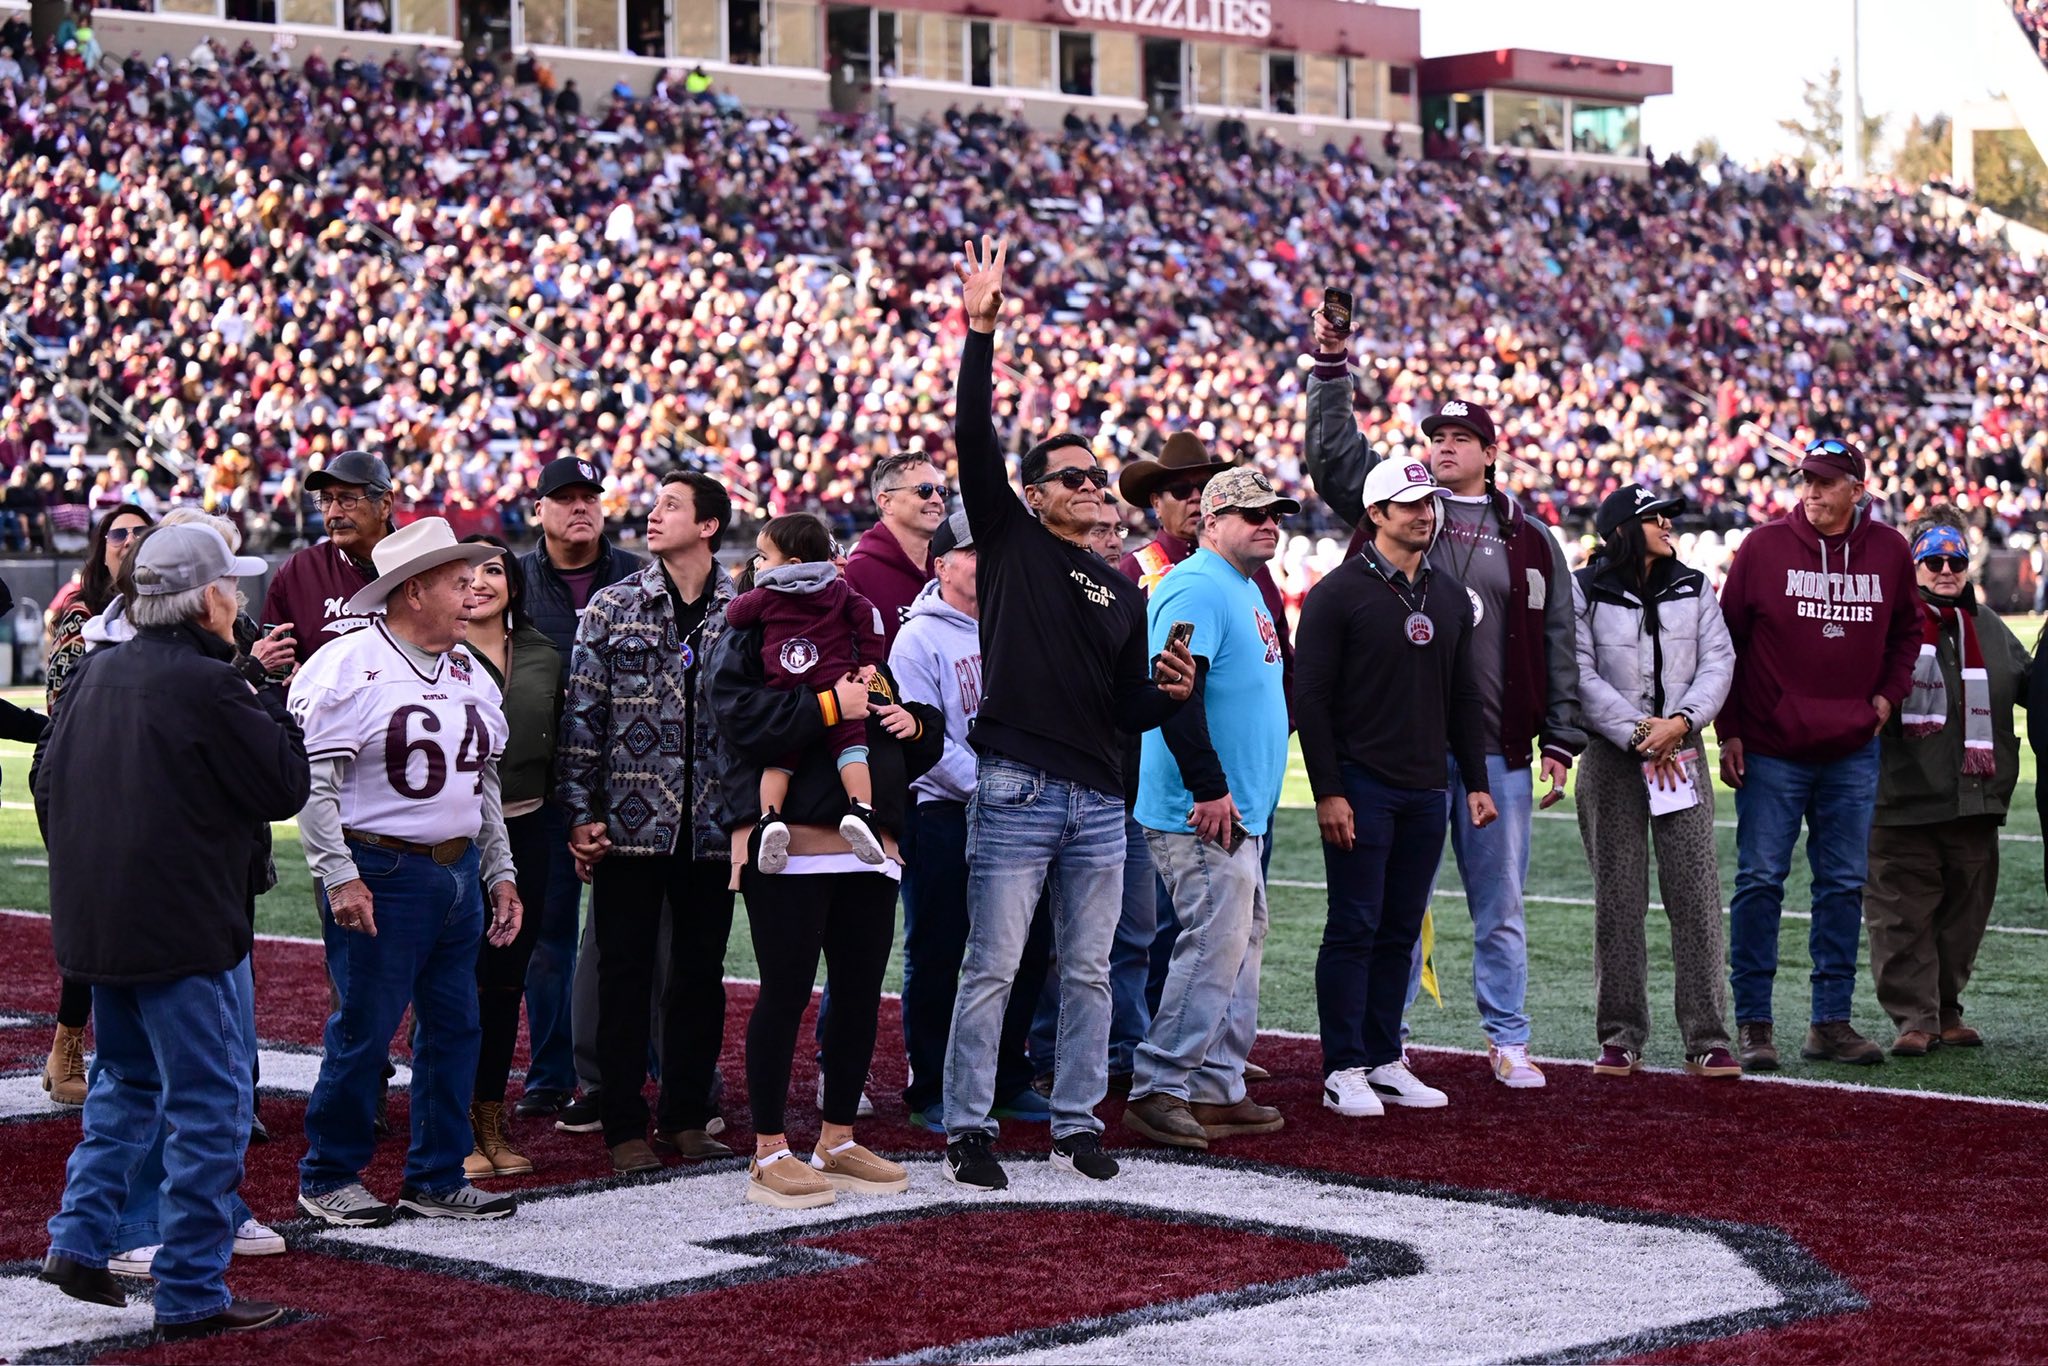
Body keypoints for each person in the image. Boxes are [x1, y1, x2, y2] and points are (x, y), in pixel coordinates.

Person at [941, 235, 1193, 1192]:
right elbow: (973, 438)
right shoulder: (1008, 542)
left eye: (1100, 479)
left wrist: (1166, 696)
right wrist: (981, 331)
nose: (1094, 488)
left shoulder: (1123, 587)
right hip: (1016, 785)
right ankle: (970, 1127)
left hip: (1098, 798)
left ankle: (1077, 1122)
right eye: (1075, 479)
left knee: (1088, 972)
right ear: (1035, 495)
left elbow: (1125, 707)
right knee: (994, 966)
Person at [35, 523, 308, 1339]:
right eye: (233, 586)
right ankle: (190, 1290)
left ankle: (79, 1241)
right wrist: (264, 691)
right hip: (185, 929)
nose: (243, 599)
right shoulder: (212, 684)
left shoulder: (95, 669)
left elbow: (47, 783)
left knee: (129, 1085)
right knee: (212, 1104)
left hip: (101, 926)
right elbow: (283, 784)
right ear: (210, 598)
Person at [1306, 314, 1584, 1089]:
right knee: (1396, 911)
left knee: (1499, 907)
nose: (1444, 446)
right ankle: (1383, 1047)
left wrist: (1561, 736)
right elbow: (1334, 459)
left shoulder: (1528, 535)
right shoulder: (1398, 523)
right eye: (1436, 436)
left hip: (1496, 748)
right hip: (1409, 757)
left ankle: (1508, 1037)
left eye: (1461, 436)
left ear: (1490, 452)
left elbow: (1562, 637)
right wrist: (1330, 369)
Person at [290, 518, 523, 1225]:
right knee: (365, 1029)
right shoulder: (345, 663)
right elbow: (314, 785)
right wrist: (338, 875)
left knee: (456, 1029)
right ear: (413, 591)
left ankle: (436, 1173)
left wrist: (499, 869)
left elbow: (480, 781)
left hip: (456, 874)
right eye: (459, 580)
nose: (475, 589)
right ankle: (329, 1172)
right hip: (380, 867)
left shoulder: (466, 669)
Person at [710, 555, 943, 1210]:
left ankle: (837, 1137)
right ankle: (767, 1149)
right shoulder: (749, 637)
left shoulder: (865, 646)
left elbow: (902, 738)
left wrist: (916, 725)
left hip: (871, 848)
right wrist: (823, 705)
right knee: (785, 993)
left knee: (861, 993)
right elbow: (741, 724)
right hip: (796, 842)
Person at [1717, 439, 1921, 1070]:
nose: (1812, 492)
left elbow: (1909, 632)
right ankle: (1754, 1023)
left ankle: (1829, 1022)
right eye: (1806, 480)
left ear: (1858, 490)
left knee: (1842, 885)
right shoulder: (1763, 546)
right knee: (1759, 881)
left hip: (1852, 748)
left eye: (1827, 482)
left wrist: (1886, 699)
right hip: (1774, 748)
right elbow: (1726, 641)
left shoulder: (1888, 550)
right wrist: (1729, 730)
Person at [1297, 459, 1492, 1118]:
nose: (1424, 514)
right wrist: (1328, 790)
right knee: (1354, 926)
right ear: (1375, 514)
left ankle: (1383, 1056)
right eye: (1408, 505)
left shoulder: (1445, 593)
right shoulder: (1336, 594)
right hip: (1361, 783)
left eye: (1429, 504)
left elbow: (1462, 694)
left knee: (1401, 929)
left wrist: (1476, 781)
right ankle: (1342, 1066)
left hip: (1425, 788)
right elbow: (1312, 700)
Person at [557, 472, 737, 1174]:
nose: (652, 516)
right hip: (628, 828)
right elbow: (583, 719)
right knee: (624, 975)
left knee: (699, 975)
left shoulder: (743, 610)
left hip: (716, 828)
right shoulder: (613, 605)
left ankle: (688, 1115)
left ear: (709, 525)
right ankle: (624, 1122)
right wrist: (580, 814)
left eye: (671, 506)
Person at [1121, 467, 1292, 1150]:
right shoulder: (1195, 584)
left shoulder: (1242, 587)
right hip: (1202, 808)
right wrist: (1208, 788)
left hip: (1237, 807)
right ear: (1210, 522)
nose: (1269, 522)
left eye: (1276, 512)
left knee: (1238, 945)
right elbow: (1174, 693)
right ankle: (1160, 1086)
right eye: (1251, 513)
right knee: (1212, 943)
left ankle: (1216, 1086)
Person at [890, 510, 1052, 1131]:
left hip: (1025, 814)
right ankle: (932, 1086)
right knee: (941, 950)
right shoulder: (920, 638)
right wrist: (996, 787)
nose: (992, 562)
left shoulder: (1022, 623)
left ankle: (1009, 1074)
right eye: (977, 552)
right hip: (947, 815)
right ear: (943, 565)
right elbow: (924, 739)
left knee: (1028, 949)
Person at [1572, 488, 1739, 1079]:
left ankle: (1709, 1038)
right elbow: (1578, 671)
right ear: (1621, 526)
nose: (1669, 522)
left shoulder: (1695, 584)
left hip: (1681, 751)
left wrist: (1682, 724)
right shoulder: (1583, 588)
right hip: (1613, 755)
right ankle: (1620, 1036)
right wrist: (1643, 731)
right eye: (1654, 516)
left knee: (1695, 897)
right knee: (1618, 903)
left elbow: (1719, 662)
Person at [1868, 512, 2029, 1055]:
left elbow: (2034, 683)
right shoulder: (1887, 624)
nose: (1944, 570)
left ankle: (1946, 1009)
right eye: (1932, 561)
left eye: (1955, 562)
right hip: (1902, 797)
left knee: (1963, 918)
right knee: (1901, 917)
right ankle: (1915, 1019)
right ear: (1912, 566)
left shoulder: (1989, 626)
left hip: (1975, 800)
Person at [515, 455, 642, 1128]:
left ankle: (630, 1063)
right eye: (563, 499)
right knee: (547, 938)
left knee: (634, 937)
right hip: (544, 788)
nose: (579, 508)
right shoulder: (515, 581)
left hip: (631, 782)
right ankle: (549, 1074)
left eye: (588, 496)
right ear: (540, 510)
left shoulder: (638, 575)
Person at [456, 535, 563, 1178]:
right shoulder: (436, 653)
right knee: (453, 985)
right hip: (452, 838)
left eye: (492, 571)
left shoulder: (545, 654)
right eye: (464, 574)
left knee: (504, 982)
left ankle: (490, 1121)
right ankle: (452, 1125)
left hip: (529, 830)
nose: (478, 583)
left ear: (514, 585)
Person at [39, 503, 152, 1107]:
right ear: (101, 545)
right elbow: (64, 705)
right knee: (96, 909)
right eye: (120, 532)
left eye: (142, 533)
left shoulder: (159, 613)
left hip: (139, 772)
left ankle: (116, 1045)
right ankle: (67, 1043)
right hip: (79, 768)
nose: (131, 541)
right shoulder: (82, 612)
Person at [726, 513, 891, 872]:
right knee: (852, 751)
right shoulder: (838, 589)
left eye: (764, 557)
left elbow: (734, 615)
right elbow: (870, 616)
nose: (758, 563)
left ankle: (770, 818)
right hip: (837, 685)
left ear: (792, 563)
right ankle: (862, 810)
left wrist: (755, 588)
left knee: (780, 761)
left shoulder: (767, 594)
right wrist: (869, 661)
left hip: (786, 691)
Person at [260, 449, 396, 665]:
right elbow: (273, 672)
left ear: (385, 505)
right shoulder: (297, 573)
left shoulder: (422, 566)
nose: (333, 513)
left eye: (347, 500)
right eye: (325, 500)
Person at [845, 451, 945, 651]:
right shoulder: (856, 574)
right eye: (924, 490)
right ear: (886, 502)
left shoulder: (947, 567)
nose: (937, 499)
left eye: (941, 491)